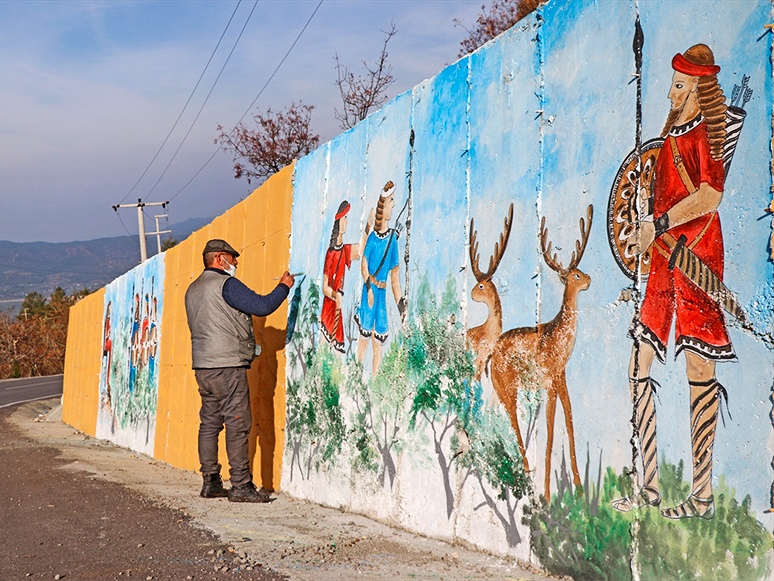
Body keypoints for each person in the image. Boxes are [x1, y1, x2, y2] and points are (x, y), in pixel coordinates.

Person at [613, 44, 732, 519]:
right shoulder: (670, 139)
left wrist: (659, 225)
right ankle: (649, 486)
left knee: (699, 371)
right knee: (639, 364)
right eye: (672, 84)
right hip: (663, 265)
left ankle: (701, 497)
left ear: (699, 90)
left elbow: (711, 195)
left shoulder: (706, 137)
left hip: (696, 257)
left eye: (679, 86)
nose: (670, 93)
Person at [185, 239, 295, 502]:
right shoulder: (226, 284)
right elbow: (262, 306)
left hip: (203, 366)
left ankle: (210, 482)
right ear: (220, 258)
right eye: (233, 258)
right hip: (227, 366)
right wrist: (284, 287)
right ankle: (241, 486)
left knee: (210, 423)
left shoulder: (192, 289)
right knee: (237, 423)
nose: (235, 263)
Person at [355, 181, 406, 373]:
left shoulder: (393, 239)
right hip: (370, 292)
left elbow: (395, 279)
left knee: (378, 345)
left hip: (382, 296)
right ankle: (356, 379)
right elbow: (364, 265)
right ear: (383, 206)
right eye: (391, 201)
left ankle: (374, 385)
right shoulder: (373, 237)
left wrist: (401, 304)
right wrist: (368, 288)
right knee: (363, 341)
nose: (393, 205)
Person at [320, 200, 373, 353]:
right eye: (344, 218)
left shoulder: (344, 250)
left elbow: (361, 247)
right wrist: (336, 295)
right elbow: (324, 287)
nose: (347, 222)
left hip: (338, 306)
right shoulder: (330, 254)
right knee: (324, 352)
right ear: (338, 222)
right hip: (329, 309)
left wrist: (368, 226)